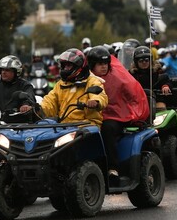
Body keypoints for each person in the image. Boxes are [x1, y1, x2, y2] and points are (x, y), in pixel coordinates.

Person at [87, 45, 149, 179]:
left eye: (105, 63)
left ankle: (112, 168)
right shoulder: (85, 78)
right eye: (100, 64)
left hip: (115, 115)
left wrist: (136, 111)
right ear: (92, 65)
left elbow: (133, 93)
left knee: (107, 128)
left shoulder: (118, 77)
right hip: (88, 116)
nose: (104, 67)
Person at [40, 48, 107, 126]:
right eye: (64, 66)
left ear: (78, 66)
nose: (66, 69)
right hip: (65, 127)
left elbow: (100, 96)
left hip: (88, 124)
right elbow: (50, 102)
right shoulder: (61, 84)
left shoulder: (92, 81)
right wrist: (38, 109)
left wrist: (95, 101)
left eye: (69, 65)